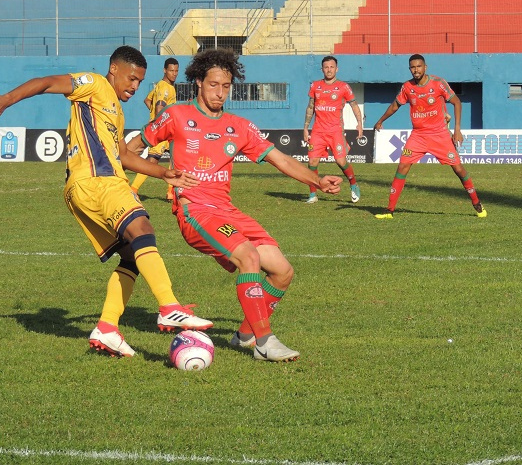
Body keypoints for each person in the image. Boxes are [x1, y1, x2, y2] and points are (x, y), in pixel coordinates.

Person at [0, 45, 212, 358]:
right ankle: (169, 306)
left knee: (132, 256)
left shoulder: (114, 107)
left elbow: (124, 155)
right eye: (131, 78)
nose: (134, 86)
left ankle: (107, 328)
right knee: (142, 228)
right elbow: (48, 82)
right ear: (113, 69)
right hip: (98, 181)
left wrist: (163, 173)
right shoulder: (95, 84)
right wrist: (8, 99)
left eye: (140, 82)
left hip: (84, 188)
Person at [128, 49, 343, 362]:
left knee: (283, 272)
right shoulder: (176, 115)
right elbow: (130, 150)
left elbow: (280, 159)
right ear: (198, 83)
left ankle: (245, 333)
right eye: (213, 84)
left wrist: (317, 180)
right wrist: (144, 179)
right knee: (248, 256)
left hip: (227, 211)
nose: (220, 92)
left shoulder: (239, 126)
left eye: (226, 86)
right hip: (195, 210)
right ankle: (264, 342)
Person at [373, 54, 487, 219]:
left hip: (439, 134)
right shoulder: (407, 87)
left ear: (425, 67)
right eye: (413, 67)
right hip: (418, 136)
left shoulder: (438, 83)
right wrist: (380, 120)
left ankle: (477, 203)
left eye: (419, 66)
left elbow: (457, 102)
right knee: (402, 167)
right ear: (409, 69)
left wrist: (457, 130)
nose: (416, 70)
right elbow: (395, 105)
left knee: (458, 169)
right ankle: (389, 211)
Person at [303, 55, 363, 204]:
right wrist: (305, 128)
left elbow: (354, 105)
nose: (329, 70)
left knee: (341, 161)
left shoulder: (343, 87)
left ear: (337, 69)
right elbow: (310, 107)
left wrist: (359, 123)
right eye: (326, 67)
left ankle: (354, 185)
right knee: (312, 162)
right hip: (318, 131)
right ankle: (312, 194)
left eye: (331, 67)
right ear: (322, 69)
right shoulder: (315, 86)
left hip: (335, 131)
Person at [130, 57, 179, 200]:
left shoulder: (160, 85)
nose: (174, 74)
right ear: (165, 70)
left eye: (176, 71)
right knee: (152, 161)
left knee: (176, 158)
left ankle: (171, 192)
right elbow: (159, 106)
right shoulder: (165, 88)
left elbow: (147, 100)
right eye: (171, 71)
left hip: (166, 129)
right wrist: (159, 120)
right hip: (162, 130)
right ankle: (132, 189)